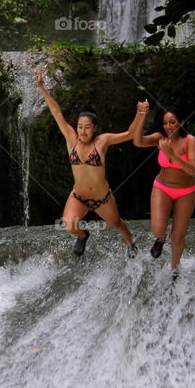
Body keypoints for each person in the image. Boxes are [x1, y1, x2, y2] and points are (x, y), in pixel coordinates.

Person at [35, 67, 142, 256]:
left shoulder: (102, 141)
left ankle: (129, 240)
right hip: (79, 196)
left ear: (95, 129)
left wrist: (140, 114)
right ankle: (83, 235)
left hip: (102, 198)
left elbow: (131, 134)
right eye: (80, 127)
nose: (83, 131)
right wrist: (42, 88)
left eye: (87, 128)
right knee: (68, 224)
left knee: (116, 223)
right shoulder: (72, 140)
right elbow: (56, 113)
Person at [132, 100, 195, 278]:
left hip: (186, 191)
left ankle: (174, 269)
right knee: (158, 229)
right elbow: (137, 142)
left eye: (172, 122)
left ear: (182, 122)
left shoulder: (189, 141)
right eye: (165, 123)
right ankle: (160, 240)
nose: (168, 126)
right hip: (162, 187)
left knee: (177, 235)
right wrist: (141, 115)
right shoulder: (160, 138)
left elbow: (193, 169)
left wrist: (171, 154)